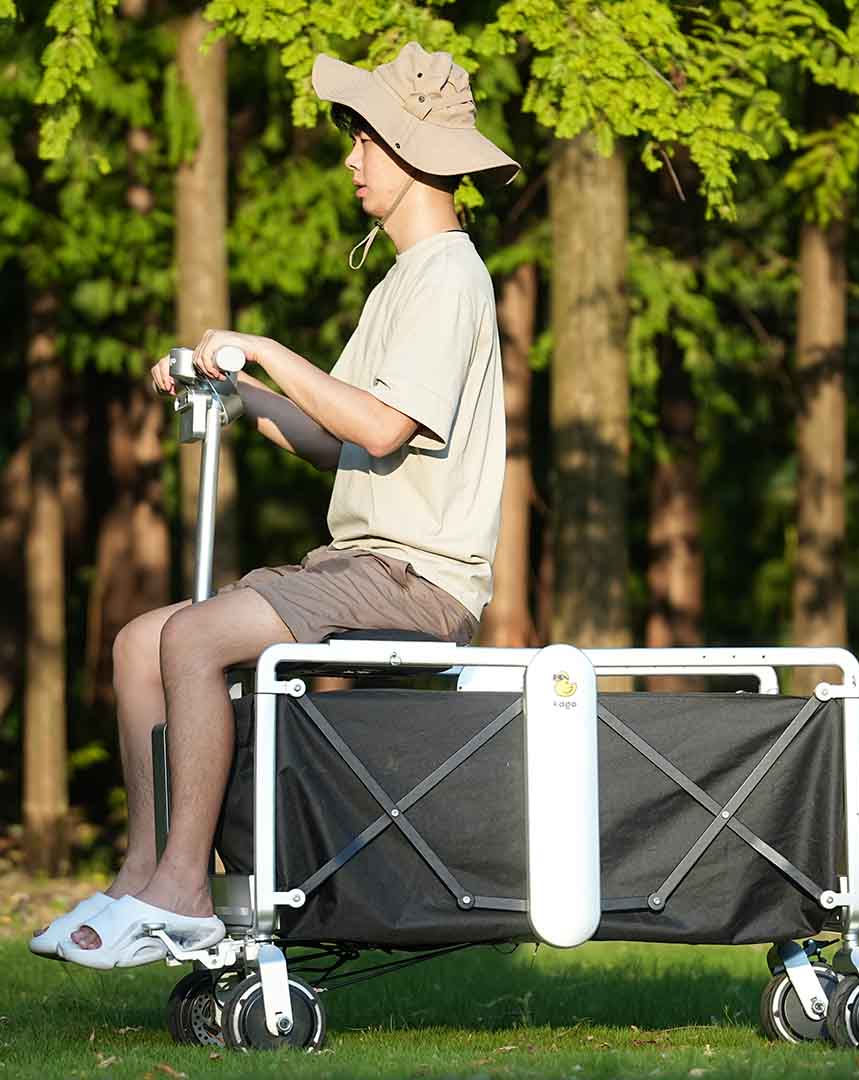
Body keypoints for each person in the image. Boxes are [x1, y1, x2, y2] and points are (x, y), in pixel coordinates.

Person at [29, 41, 519, 969]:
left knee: (196, 637)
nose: (350, 158)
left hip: (416, 578)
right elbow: (336, 437)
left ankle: (186, 893)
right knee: (143, 640)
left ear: (412, 151)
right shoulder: (403, 281)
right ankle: (143, 875)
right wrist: (230, 393)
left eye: (363, 138)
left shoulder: (452, 274)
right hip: (359, 568)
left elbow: (375, 428)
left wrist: (262, 349)